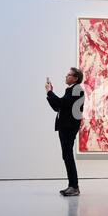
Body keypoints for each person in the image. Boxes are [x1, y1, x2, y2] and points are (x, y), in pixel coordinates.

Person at [45, 67, 84, 196]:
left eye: (69, 75)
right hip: (66, 127)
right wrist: (50, 93)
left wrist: (50, 92)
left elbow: (61, 104)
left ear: (75, 78)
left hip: (68, 127)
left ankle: (74, 186)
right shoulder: (72, 90)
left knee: (67, 156)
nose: (66, 76)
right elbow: (58, 106)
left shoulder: (76, 90)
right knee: (66, 156)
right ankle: (72, 185)